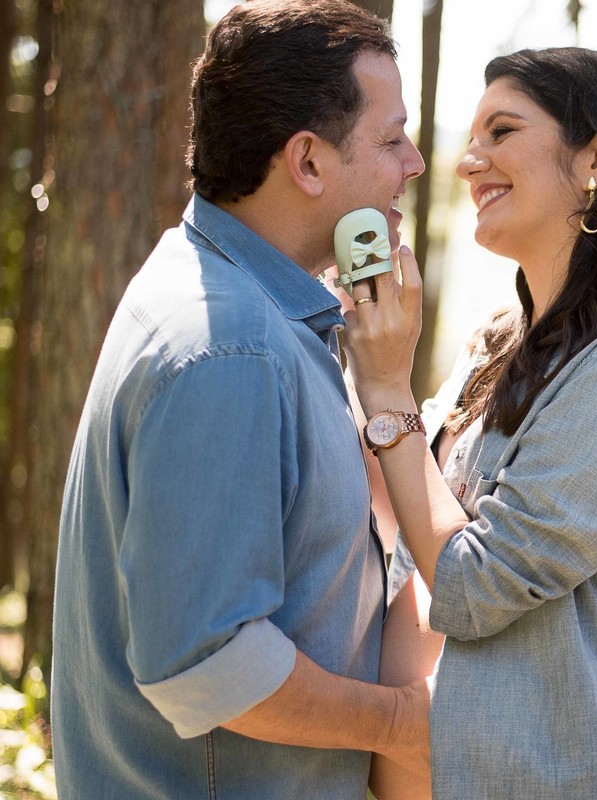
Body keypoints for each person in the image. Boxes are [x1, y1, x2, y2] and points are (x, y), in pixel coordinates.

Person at [50, 2, 439, 797]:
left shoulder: (237, 307)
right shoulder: (230, 348)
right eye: (391, 138)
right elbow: (210, 663)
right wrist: (405, 723)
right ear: (308, 162)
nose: (417, 162)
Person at [345, 47, 597, 800]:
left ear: (596, 158)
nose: (468, 162)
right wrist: (349, 345)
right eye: (472, 138)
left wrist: (389, 388)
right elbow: (404, 498)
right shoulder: (501, 341)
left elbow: (473, 585)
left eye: (501, 132)